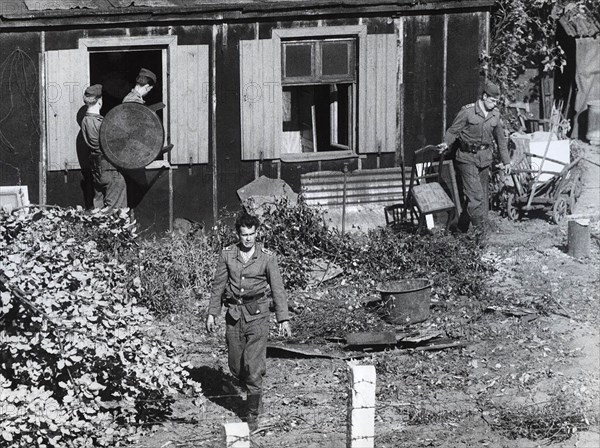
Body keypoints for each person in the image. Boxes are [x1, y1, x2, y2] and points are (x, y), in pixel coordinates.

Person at [206, 211, 292, 431]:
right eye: (244, 235)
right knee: (236, 367)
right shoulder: (227, 254)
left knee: (253, 367)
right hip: (234, 315)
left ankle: (252, 413)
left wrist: (283, 318)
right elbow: (218, 286)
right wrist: (212, 313)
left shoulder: (267, 257)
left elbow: (278, 289)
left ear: (257, 233)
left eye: (252, 234)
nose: (248, 239)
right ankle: (256, 393)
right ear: (238, 234)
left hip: (258, 316)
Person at [438, 80, 512, 239]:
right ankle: (481, 235)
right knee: (475, 197)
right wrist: (446, 143)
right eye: (492, 100)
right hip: (466, 159)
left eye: (496, 101)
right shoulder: (467, 112)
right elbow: (453, 131)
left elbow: (500, 139)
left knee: (480, 198)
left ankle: (461, 228)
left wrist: (506, 162)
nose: (494, 104)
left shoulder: (495, 114)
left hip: (484, 160)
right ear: (484, 96)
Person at [80, 84, 127, 209]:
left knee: (99, 210)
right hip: (110, 170)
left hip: (96, 170)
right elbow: (113, 146)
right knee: (116, 211)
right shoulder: (101, 123)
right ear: (100, 102)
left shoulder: (85, 120)